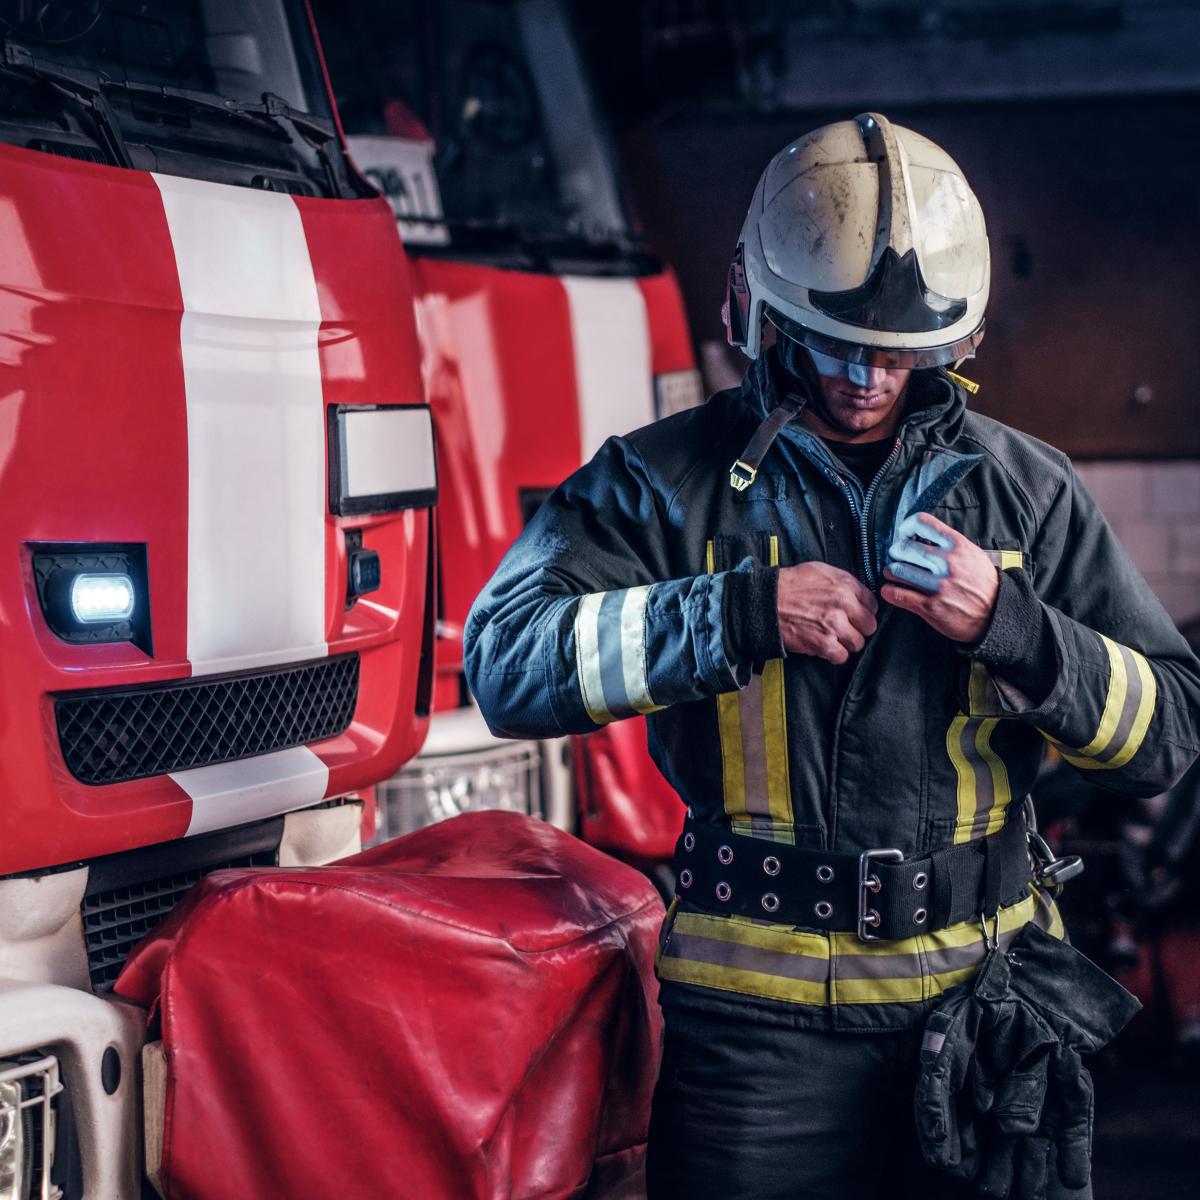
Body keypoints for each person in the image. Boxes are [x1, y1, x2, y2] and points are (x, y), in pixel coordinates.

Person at [462, 113, 1200, 1198]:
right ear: (760, 308)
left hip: (989, 1011)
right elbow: (505, 665)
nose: (864, 374)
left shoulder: (1027, 491)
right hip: (754, 1044)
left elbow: (1170, 735)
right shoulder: (663, 480)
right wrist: (736, 613)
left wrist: (1017, 627)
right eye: (835, 339)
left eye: (898, 353)